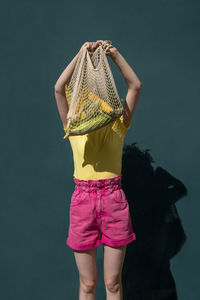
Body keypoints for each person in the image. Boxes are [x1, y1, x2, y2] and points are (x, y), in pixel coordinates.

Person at [54, 40, 142, 300]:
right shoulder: (73, 129)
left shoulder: (118, 125)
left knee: (113, 284)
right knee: (87, 284)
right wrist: (82, 54)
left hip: (114, 200)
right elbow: (59, 88)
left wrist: (113, 54)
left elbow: (135, 85)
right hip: (82, 202)